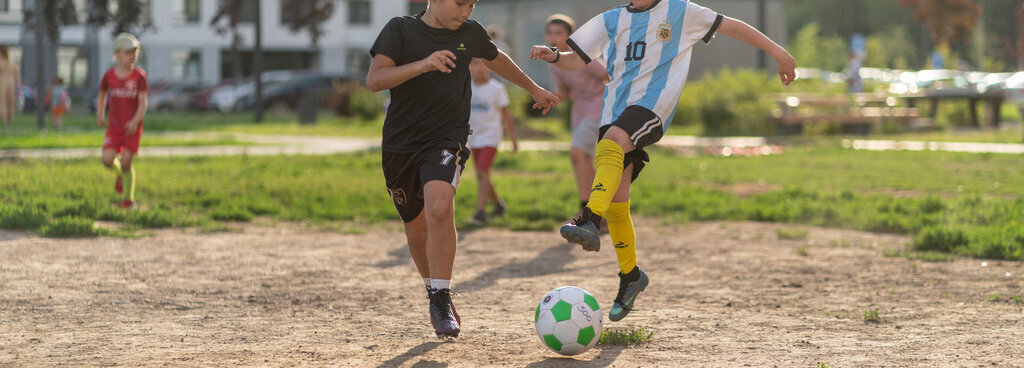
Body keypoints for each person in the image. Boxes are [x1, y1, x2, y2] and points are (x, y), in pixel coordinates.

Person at [531, 0, 795, 322]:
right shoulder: (611, 20)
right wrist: (556, 56)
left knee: (613, 142)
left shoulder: (682, 12)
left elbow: (734, 27)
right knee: (616, 199)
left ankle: (588, 218)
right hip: (614, 110)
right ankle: (631, 276)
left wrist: (779, 52)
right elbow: (579, 59)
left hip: (653, 107)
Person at [367, 0, 558, 338]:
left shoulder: (470, 33)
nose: (466, 11)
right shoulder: (400, 29)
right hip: (400, 146)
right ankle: (432, 289)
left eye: (472, 4)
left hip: (446, 137)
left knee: (440, 208)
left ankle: (442, 297)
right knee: (415, 231)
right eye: (460, 3)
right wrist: (423, 64)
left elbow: (497, 59)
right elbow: (375, 80)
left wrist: (534, 88)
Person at [544, 14, 610, 214]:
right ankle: (597, 211)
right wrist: (548, 97)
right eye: (549, 33)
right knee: (581, 157)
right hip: (580, 110)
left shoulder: (582, 55)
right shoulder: (554, 60)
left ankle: (587, 210)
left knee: (577, 153)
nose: (553, 37)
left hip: (597, 107)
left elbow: (609, 76)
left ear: (571, 36)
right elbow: (564, 90)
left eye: (559, 33)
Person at [97, 33, 149, 209]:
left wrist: (135, 121)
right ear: (117, 54)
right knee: (107, 160)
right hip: (114, 127)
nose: (133, 56)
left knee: (126, 162)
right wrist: (100, 113)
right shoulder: (109, 76)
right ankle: (120, 175)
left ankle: (128, 200)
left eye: (135, 52)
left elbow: (143, 104)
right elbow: (102, 93)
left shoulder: (139, 76)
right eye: (129, 52)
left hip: (132, 128)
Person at [466, 58, 518, 225]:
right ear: (469, 66)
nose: (478, 67)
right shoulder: (466, 87)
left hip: (490, 137)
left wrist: (513, 140)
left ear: (489, 67)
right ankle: (498, 206)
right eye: (474, 63)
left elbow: (506, 116)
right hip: (474, 137)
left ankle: (480, 213)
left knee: (482, 171)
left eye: (482, 63)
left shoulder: (497, 89)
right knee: (482, 174)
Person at [0, 45, 19, 127]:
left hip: (2, 82)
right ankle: (9, 120)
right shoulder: (12, 63)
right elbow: (17, 77)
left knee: (2, 103)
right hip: (11, 83)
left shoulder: (1, 62)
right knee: (10, 102)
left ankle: (4, 121)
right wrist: (20, 87)